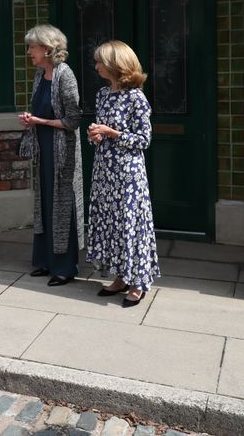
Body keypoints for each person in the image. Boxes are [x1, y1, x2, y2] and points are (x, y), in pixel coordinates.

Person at [85, 40, 160, 308]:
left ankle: (138, 282)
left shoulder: (136, 97)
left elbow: (144, 139)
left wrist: (112, 133)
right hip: (105, 169)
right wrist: (95, 134)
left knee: (130, 225)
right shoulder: (103, 95)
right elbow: (104, 131)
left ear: (116, 65)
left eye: (100, 62)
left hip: (128, 173)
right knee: (112, 224)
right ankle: (120, 277)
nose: (96, 66)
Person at [18, 24, 84, 287]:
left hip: (62, 153)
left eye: (32, 47)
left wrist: (40, 121)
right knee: (44, 203)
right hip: (43, 148)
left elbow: (73, 119)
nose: (29, 52)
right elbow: (41, 110)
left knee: (62, 205)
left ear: (46, 48)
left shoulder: (65, 75)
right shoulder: (39, 75)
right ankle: (45, 261)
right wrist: (31, 120)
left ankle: (65, 268)